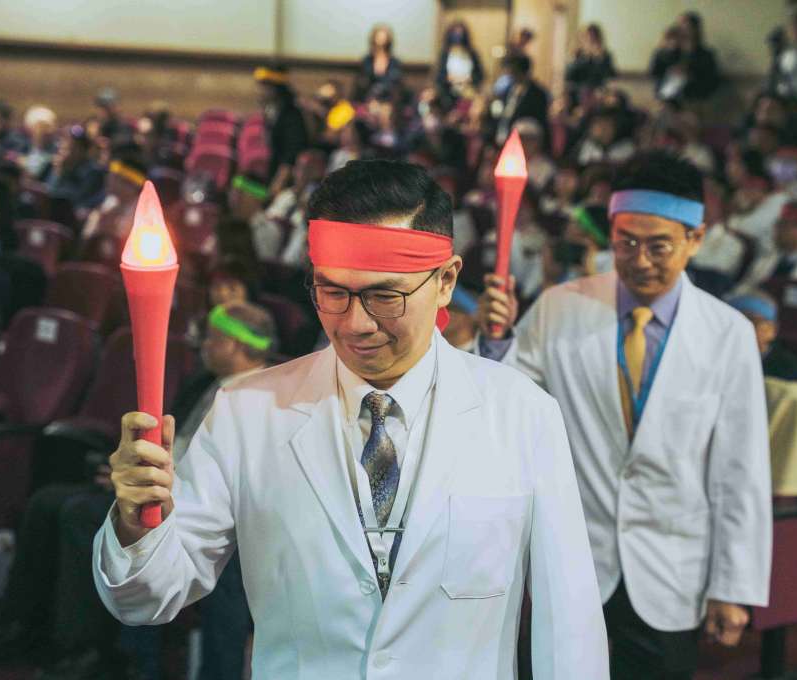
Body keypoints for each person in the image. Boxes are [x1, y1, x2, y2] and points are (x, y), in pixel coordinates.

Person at [93, 159, 609, 679]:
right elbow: (149, 596)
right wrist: (138, 523)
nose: (356, 324)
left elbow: (569, 623)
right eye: (333, 292)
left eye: (385, 296)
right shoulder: (248, 413)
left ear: (446, 280)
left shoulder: (522, 414)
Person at [476, 150, 771, 679]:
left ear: (695, 239)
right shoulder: (560, 306)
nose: (639, 260)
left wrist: (733, 587)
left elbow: (740, 471)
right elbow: (509, 407)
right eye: (625, 242)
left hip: (671, 569)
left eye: (659, 245)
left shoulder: (728, 335)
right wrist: (497, 342)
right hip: (574, 557)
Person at [0, 302, 275, 680]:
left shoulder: (262, 398)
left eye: (212, 339)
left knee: (80, 513)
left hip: (188, 503)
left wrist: (152, 481)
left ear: (235, 345)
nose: (203, 345)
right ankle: (22, 624)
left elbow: (227, 479)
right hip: (157, 484)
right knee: (45, 503)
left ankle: (87, 649)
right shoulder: (205, 382)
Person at [727, 292, 797, 497]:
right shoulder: (709, 355)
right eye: (732, 319)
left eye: (752, 322)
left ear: (772, 330)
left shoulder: (788, 371)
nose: (739, 328)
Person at [255, 64, 310, 190]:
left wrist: (278, 184)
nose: (260, 91)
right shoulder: (273, 111)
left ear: (275, 89)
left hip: (286, 184)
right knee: (240, 182)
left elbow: (292, 155)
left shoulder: (291, 116)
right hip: (271, 176)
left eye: (264, 87)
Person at [649, 12, 721, 104]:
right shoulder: (666, 51)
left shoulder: (706, 54)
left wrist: (691, 74)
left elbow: (712, 80)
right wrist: (668, 51)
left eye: (687, 27)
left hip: (696, 98)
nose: (682, 31)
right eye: (679, 27)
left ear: (696, 30)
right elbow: (654, 72)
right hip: (667, 99)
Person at [493, 54, 550, 148]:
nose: (510, 74)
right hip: (503, 139)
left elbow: (539, 122)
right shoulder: (509, 90)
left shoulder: (537, 94)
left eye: (513, 70)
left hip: (524, 143)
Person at [566, 24, 616, 106]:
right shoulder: (577, 54)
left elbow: (610, 75)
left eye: (593, 38)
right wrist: (584, 57)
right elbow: (569, 75)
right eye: (586, 38)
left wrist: (599, 59)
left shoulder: (604, 55)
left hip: (597, 92)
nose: (589, 41)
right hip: (577, 92)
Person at [435, 21, 484, 106]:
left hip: (469, 93)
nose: (458, 36)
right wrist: (450, 79)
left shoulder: (472, 54)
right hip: (448, 95)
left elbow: (480, 74)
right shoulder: (445, 54)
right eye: (455, 33)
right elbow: (440, 76)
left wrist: (468, 79)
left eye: (460, 33)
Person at [355, 25, 404, 102]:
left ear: (388, 39)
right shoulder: (367, 61)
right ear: (373, 38)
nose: (381, 39)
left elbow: (397, 87)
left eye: (384, 37)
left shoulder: (394, 62)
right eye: (378, 36)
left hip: (389, 101)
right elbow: (361, 85)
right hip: (369, 100)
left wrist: (389, 104)